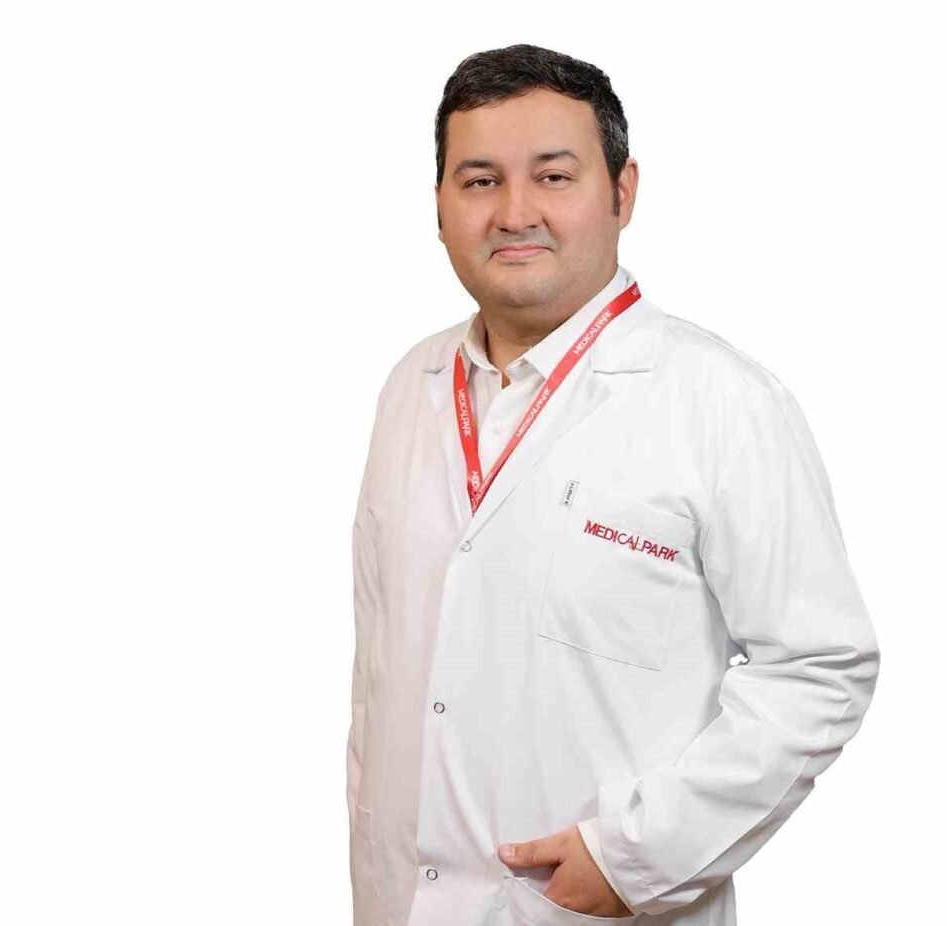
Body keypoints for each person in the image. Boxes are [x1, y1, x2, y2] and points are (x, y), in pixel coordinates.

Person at [346, 43, 880, 926]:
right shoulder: (411, 385)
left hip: (599, 905)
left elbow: (820, 665)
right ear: (438, 205)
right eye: (479, 181)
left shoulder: (721, 401)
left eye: (554, 177)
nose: (515, 213)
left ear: (622, 192)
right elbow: (381, 675)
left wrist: (636, 857)